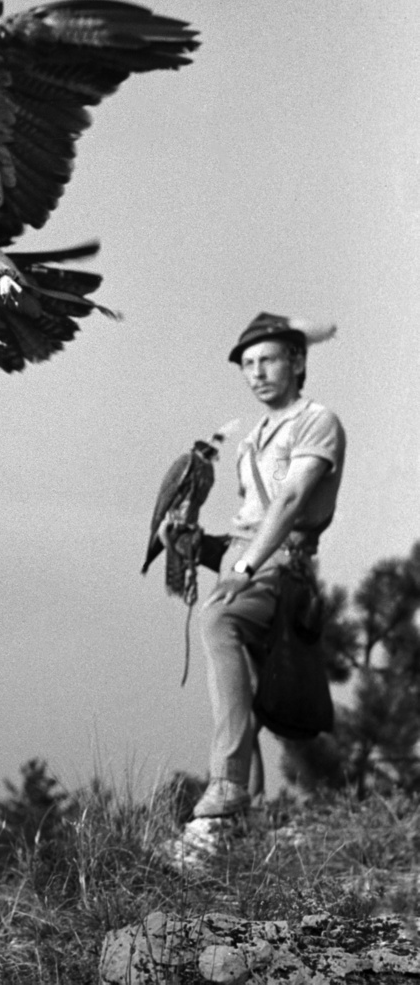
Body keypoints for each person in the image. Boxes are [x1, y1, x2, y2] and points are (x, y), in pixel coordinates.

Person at [177, 312, 345, 820]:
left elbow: (291, 499)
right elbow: (250, 520)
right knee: (256, 699)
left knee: (220, 621)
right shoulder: (251, 440)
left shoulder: (316, 420)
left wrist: (244, 568)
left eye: (267, 359)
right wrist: (198, 547)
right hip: (248, 559)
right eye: (247, 364)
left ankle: (227, 784)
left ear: (296, 361)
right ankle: (252, 815)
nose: (256, 372)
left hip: (280, 565)